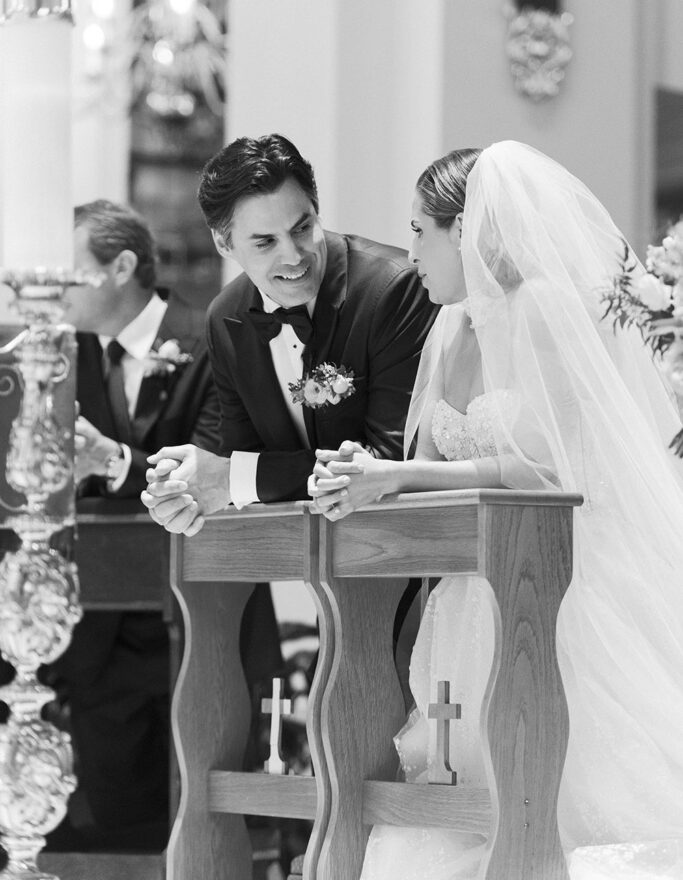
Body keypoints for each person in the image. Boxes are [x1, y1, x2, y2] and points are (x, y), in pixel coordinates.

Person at [309, 141, 683, 879]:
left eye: (420, 230)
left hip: (554, 582)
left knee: (562, 801)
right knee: (461, 797)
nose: (410, 250)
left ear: (466, 230)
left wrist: (402, 473)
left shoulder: (540, 308)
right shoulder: (449, 325)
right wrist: (363, 473)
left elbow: (548, 466)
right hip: (465, 588)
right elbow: (434, 465)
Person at [54, 200, 280, 850]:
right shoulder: (64, 358)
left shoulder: (216, 336)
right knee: (114, 833)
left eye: (69, 271)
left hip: (201, 623)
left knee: (207, 830)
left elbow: (220, 466)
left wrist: (114, 461)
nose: (55, 289)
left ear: (121, 266)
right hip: (100, 637)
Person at [141, 133, 437, 537]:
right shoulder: (226, 319)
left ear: (317, 210)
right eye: (265, 242)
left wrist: (229, 477)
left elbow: (390, 458)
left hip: (409, 548)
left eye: (302, 229)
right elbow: (244, 460)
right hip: (314, 559)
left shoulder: (393, 289)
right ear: (223, 244)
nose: (294, 257)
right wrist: (184, 494)